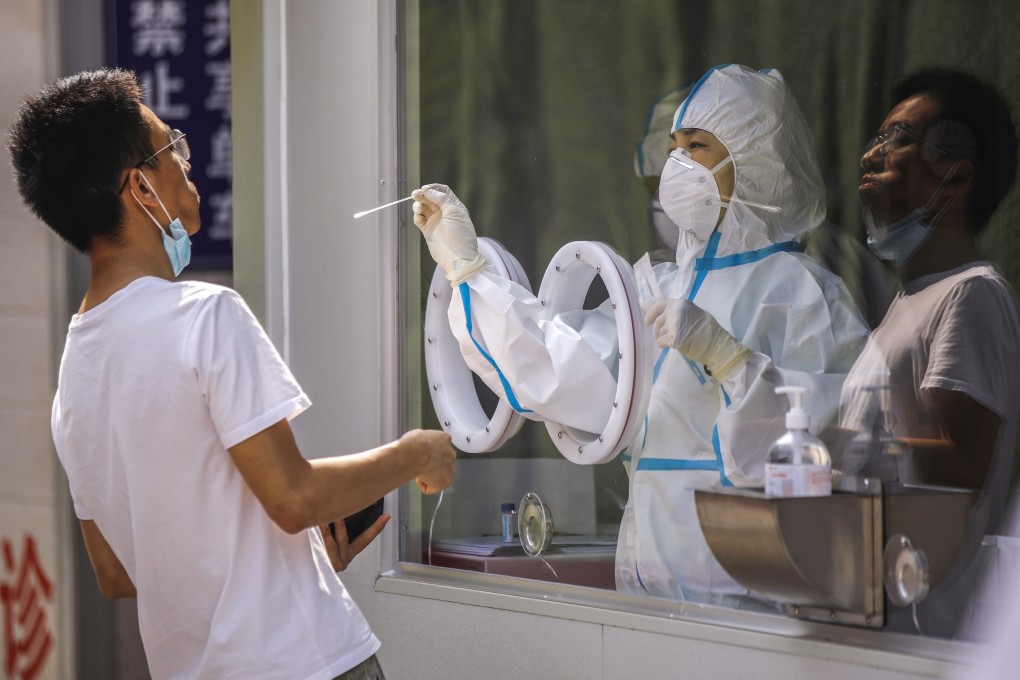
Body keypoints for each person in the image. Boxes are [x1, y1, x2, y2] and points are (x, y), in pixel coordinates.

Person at [7, 68, 457, 679]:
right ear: (139, 187)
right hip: (305, 664)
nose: (187, 164)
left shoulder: (74, 379)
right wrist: (416, 453)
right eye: (173, 149)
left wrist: (274, 564)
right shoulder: (204, 315)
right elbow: (294, 498)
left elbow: (115, 573)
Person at [411, 64, 869, 606]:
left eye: (696, 145)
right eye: (673, 147)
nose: (676, 164)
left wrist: (730, 360)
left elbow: (831, 447)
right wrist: (468, 270)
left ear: (753, 161)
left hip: (756, 605)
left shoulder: (805, 295)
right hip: (649, 597)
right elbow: (557, 371)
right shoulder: (657, 286)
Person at [840, 67, 1020, 638]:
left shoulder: (972, 294)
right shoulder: (908, 301)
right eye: (874, 138)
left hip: (924, 636)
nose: (870, 156)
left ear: (955, 176)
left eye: (895, 139)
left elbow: (960, 473)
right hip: (873, 625)